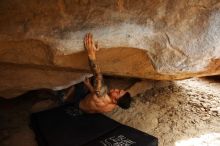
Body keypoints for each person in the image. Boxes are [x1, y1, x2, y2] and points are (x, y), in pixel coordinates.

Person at [62, 33, 131, 113]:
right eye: (119, 90)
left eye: (118, 92)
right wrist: (89, 85)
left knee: (78, 83)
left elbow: (98, 75)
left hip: (78, 101)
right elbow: (96, 95)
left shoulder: (102, 95)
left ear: (115, 100)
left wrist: (91, 53)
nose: (116, 89)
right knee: (88, 83)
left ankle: (64, 98)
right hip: (86, 109)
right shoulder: (112, 107)